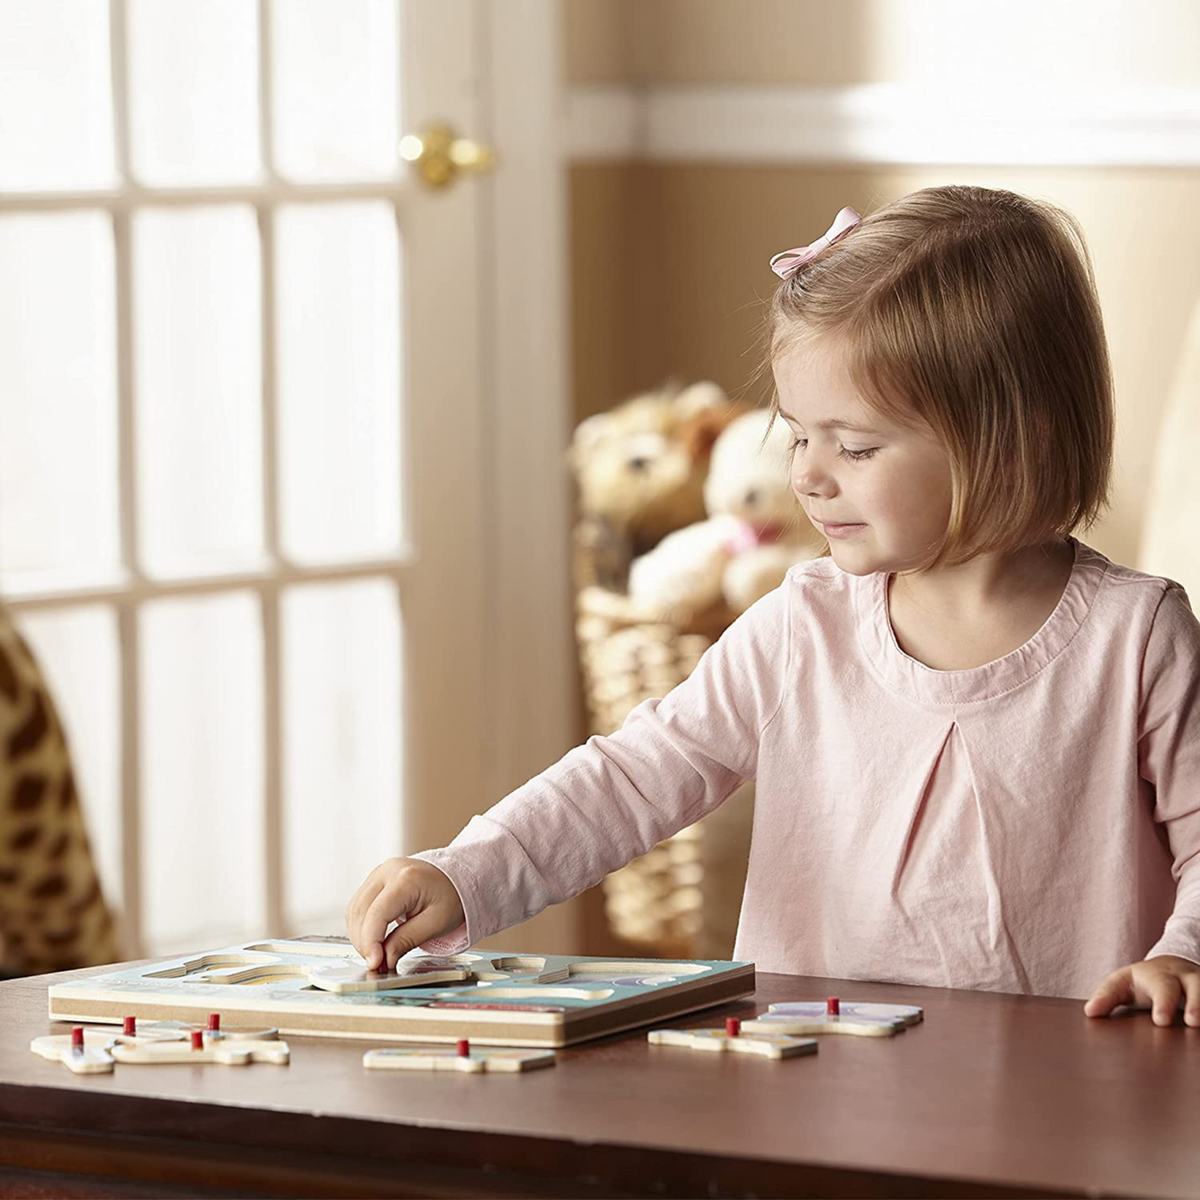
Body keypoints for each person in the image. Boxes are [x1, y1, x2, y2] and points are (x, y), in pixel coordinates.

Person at [346, 185, 1200, 1026]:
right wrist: (468, 871)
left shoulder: (1136, 637)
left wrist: (1183, 954)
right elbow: (634, 774)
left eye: (856, 447)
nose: (808, 476)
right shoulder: (803, 626)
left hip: (1068, 1094)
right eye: (798, 434)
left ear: (1015, 439)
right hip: (817, 1082)